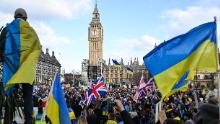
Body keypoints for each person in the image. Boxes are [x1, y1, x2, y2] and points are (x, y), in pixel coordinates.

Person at [0, 8, 41, 124]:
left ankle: (8, 120)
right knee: (28, 96)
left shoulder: (7, 29)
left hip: (11, 69)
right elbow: (37, 48)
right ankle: (29, 120)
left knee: (10, 95)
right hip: (27, 70)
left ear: (14, 17)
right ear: (26, 18)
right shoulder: (31, 31)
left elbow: (1, 47)